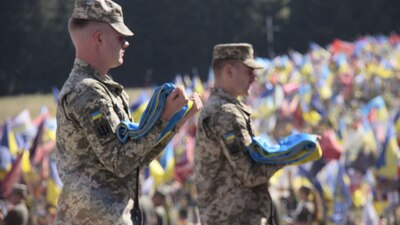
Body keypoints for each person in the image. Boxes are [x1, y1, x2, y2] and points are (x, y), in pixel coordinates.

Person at [55, 0, 202, 225]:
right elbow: (120, 161)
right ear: (99, 38)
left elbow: (135, 160)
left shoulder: (103, 89)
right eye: (120, 37)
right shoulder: (87, 90)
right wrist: (163, 120)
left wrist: (175, 121)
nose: (126, 44)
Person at [194, 43, 285, 225]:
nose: (254, 77)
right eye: (249, 71)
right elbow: (250, 174)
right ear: (229, 71)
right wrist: (287, 156)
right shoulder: (226, 113)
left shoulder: (219, 108)